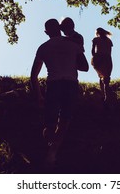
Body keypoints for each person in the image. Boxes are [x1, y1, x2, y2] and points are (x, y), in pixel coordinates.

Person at [30, 19, 89, 166]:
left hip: (53, 83)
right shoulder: (73, 44)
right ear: (60, 28)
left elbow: (33, 76)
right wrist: (70, 61)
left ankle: (49, 148)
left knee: (50, 120)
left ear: (46, 32)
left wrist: (38, 95)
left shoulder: (43, 48)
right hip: (70, 83)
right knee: (64, 119)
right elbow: (85, 67)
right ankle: (52, 152)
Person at [91, 27, 113, 104]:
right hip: (107, 59)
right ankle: (105, 95)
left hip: (100, 58)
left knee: (102, 76)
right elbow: (109, 53)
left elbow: (93, 51)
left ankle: (104, 95)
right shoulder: (109, 41)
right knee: (106, 77)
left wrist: (95, 58)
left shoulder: (96, 40)